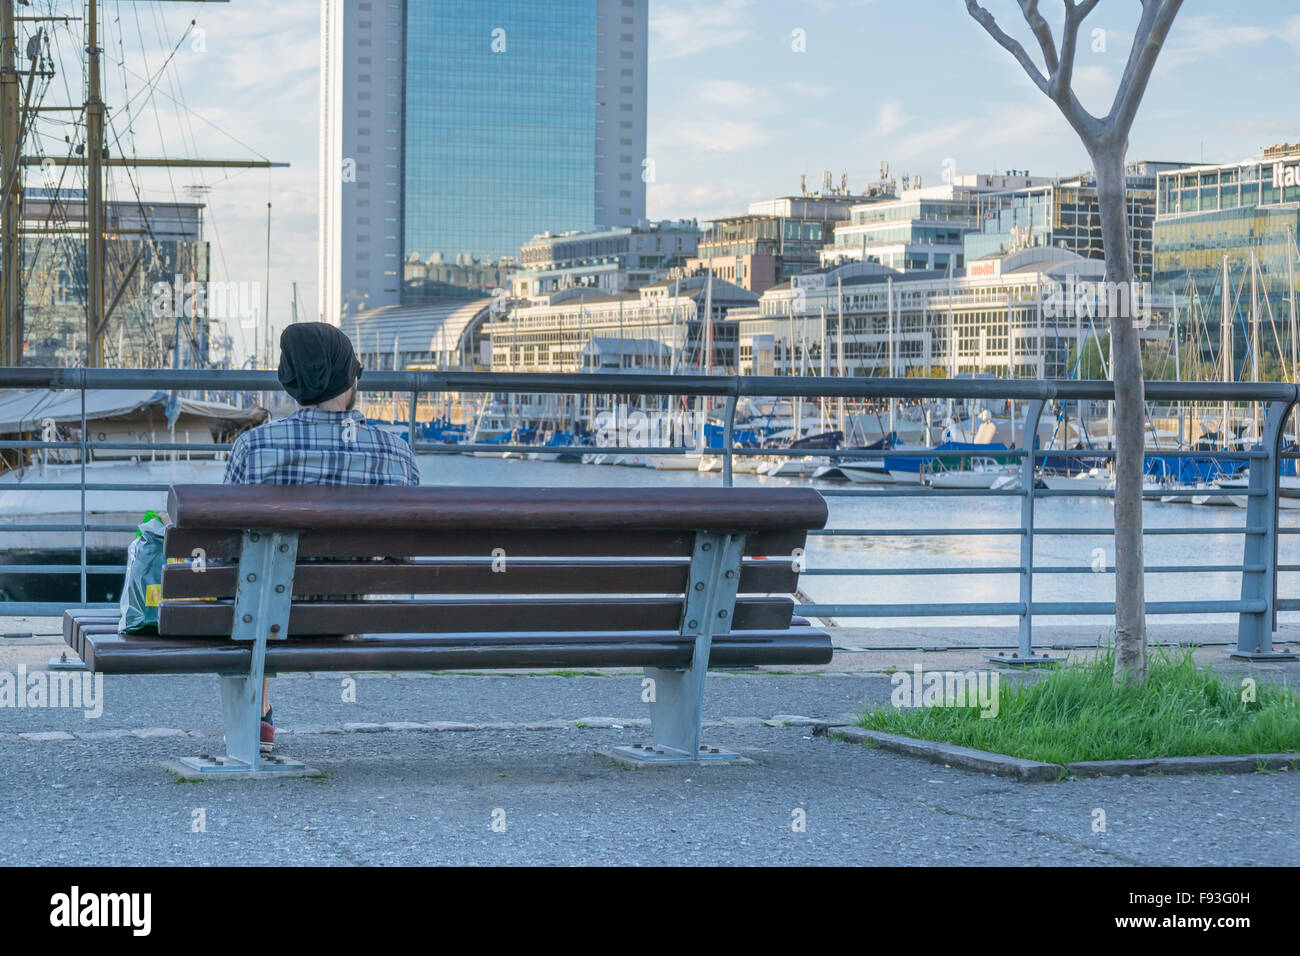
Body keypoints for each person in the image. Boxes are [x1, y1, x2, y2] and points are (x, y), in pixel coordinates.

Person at [223, 322, 420, 751]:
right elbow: (407, 553)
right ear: (351, 380)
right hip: (355, 616)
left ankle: (259, 717)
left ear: (291, 383)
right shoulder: (395, 452)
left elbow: (229, 548)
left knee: (257, 582)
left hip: (270, 618)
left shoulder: (255, 448)